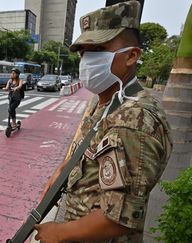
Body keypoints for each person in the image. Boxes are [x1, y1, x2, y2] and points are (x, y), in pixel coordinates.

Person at [34, 2, 172, 243]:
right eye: (84, 52)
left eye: (98, 49)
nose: (87, 60)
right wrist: (61, 172)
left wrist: (58, 234)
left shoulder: (134, 121)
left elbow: (119, 218)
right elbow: (87, 149)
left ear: (131, 55)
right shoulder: (107, 99)